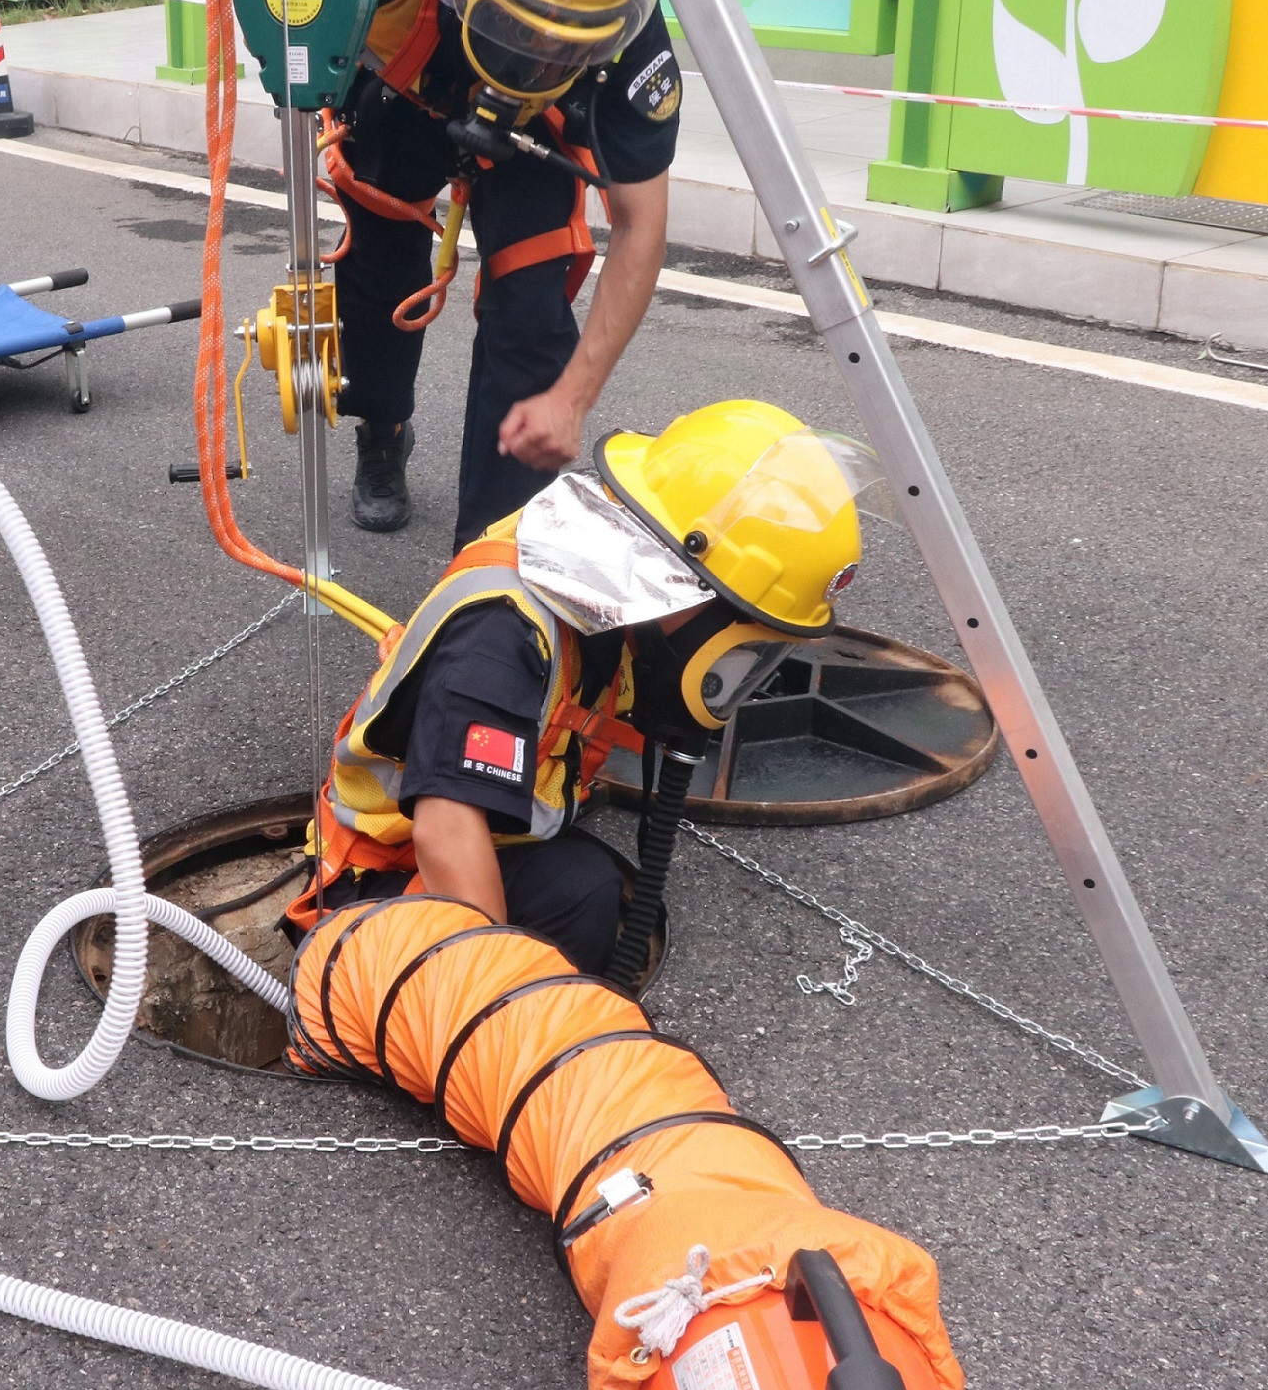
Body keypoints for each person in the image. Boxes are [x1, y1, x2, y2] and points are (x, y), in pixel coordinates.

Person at [291, 400, 886, 988]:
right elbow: (445, 828)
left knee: (586, 888)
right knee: (577, 902)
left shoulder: (609, 589)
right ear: (689, 578)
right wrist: (492, 1002)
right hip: (379, 866)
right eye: (742, 635)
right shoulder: (504, 639)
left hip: (488, 825)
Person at [305, 0, 692, 545]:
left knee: (532, 313)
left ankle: (490, 569)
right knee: (376, 272)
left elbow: (640, 223)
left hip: (537, 135)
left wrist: (572, 399)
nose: (534, 46)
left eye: (563, 35)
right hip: (404, 90)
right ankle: (383, 430)